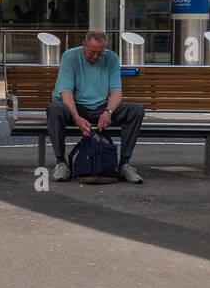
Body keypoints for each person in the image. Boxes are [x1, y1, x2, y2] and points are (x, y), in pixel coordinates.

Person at [48, 29, 145, 184]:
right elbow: (66, 93)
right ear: (84, 45)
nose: (96, 56)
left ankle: (125, 164)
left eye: (100, 52)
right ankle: (61, 163)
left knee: (136, 110)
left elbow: (116, 92)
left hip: (100, 107)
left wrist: (108, 111)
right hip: (75, 106)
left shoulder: (112, 58)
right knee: (55, 109)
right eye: (92, 52)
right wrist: (77, 118)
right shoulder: (71, 56)